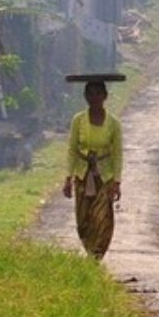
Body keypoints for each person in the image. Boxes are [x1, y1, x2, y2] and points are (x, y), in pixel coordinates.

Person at [62, 80, 123, 260]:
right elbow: (72, 149)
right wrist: (68, 178)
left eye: (98, 94)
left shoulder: (113, 123)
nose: (94, 98)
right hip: (82, 175)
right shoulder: (78, 120)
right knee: (83, 219)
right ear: (85, 97)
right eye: (90, 94)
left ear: (105, 96)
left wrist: (117, 182)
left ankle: (96, 255)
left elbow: (117, 153)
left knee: (102, 218)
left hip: (105, 177)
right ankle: (89, 249)